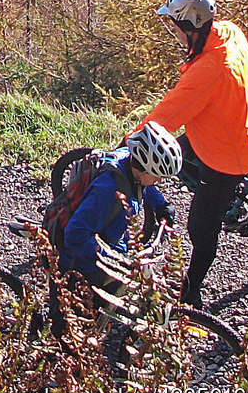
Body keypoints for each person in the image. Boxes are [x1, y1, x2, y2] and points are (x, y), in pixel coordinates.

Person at [137, 0, 248, 308]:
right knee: (169, 157)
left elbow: (165, 116)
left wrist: (131, 142)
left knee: (201, 226)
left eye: (176, 26)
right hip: (234, 130)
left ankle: (190, 291)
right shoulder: (229, 32)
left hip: (227, 155)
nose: (174, 33)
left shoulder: (210, 71)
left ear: (190, 28)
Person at [57, 121, 182, 300]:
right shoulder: (107, 190)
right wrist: (111, 260)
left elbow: (143, 187)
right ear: (142, 168)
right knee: (80, 320)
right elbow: (75, 234)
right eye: (157, 176)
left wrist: (161, 205)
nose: (160, 181)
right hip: (83, 265)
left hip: (112, 247)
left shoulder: (128, 162)